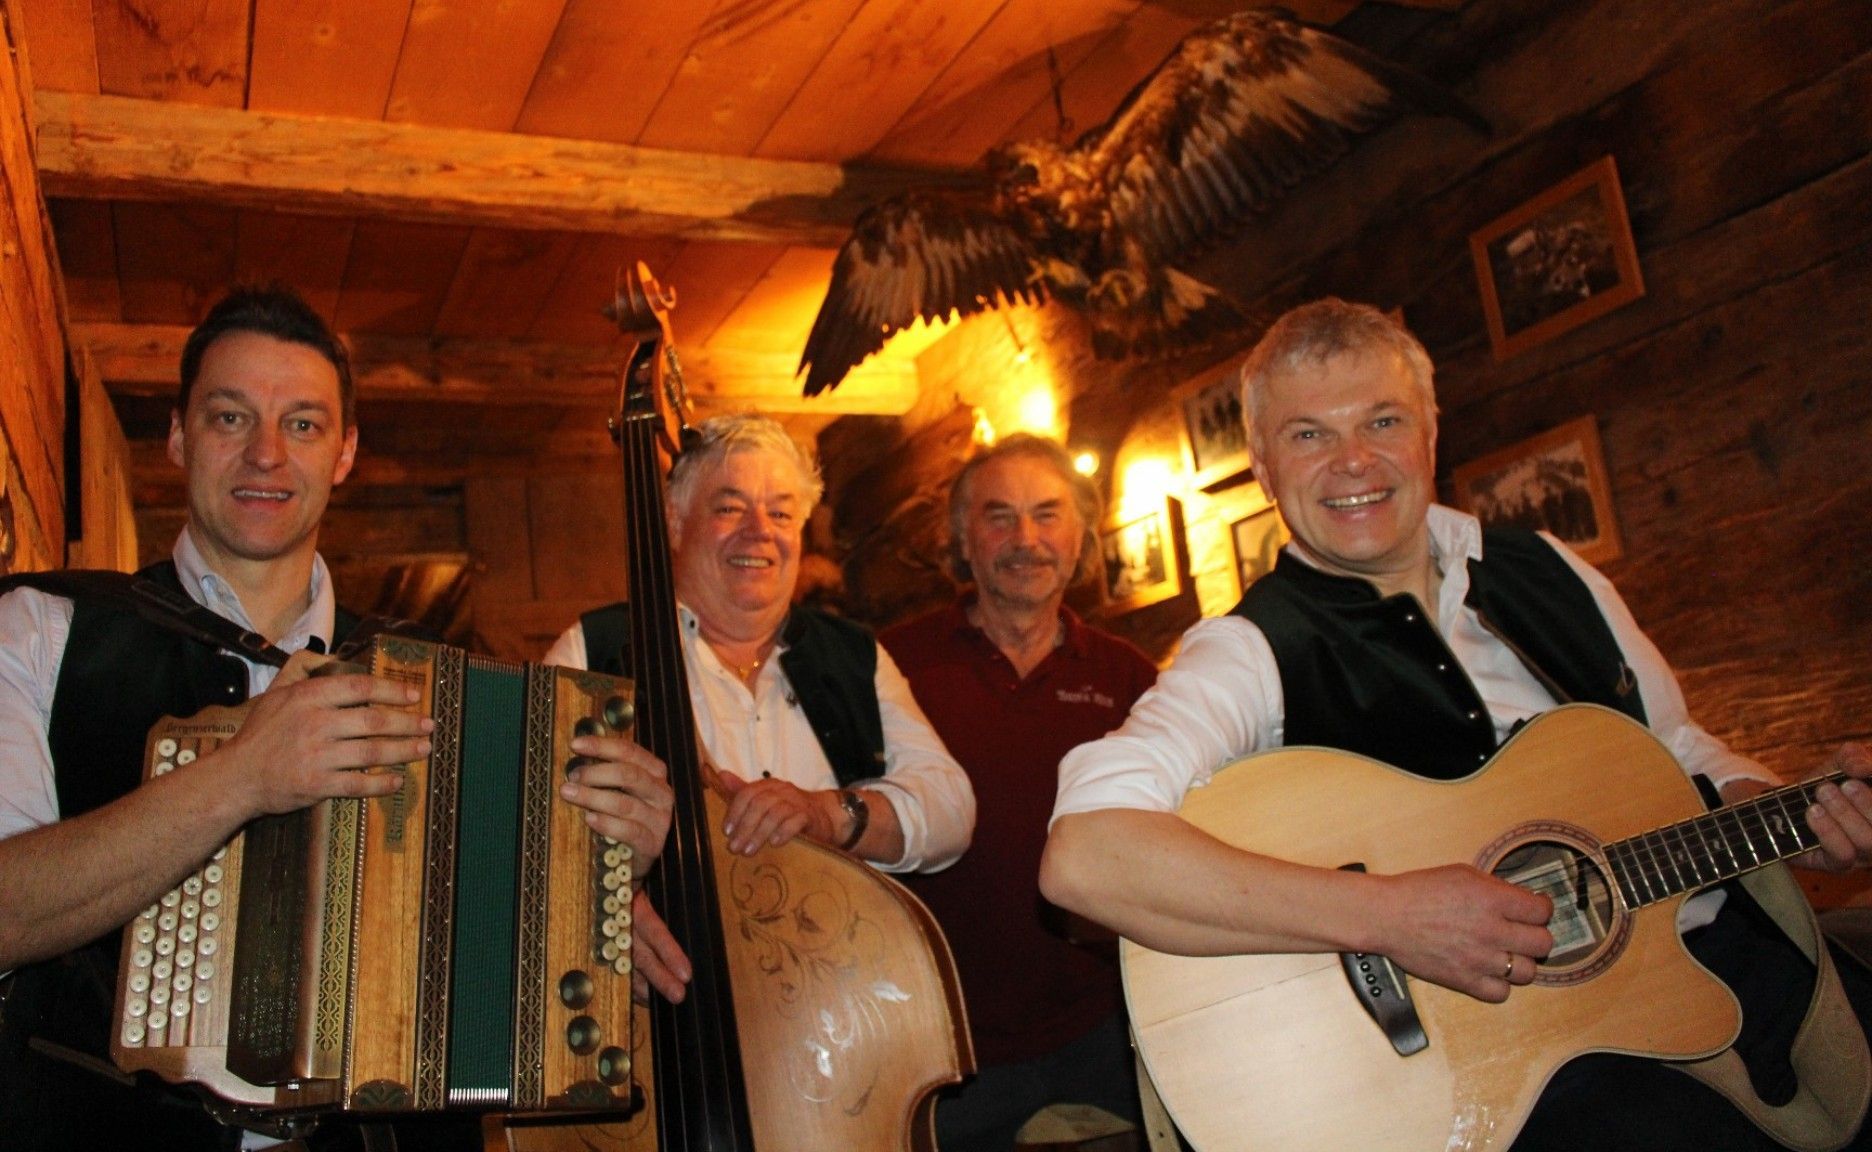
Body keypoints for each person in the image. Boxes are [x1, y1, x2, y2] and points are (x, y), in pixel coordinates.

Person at [1039, 297, 1872, 1150]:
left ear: (1433, 434)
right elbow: (1086, 857)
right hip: (1526, 1065)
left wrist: (1782, 812)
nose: (1352, 461)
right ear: (1261, 463)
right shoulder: (1250, 649)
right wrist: (1388, 916)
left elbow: (1678, 747)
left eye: (1383, 420)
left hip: (1712, 967)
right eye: (1309, 435)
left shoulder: (1551, 570)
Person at [0, 286, 675, 1152]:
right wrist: (243, 777)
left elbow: (500, 969)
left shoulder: (448, 681)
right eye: (230, 417)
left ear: (347, 451)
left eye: (305, 425)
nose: (267, 456)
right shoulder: (40, 630)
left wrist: (609, 873)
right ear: (177, 436)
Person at [544, 412, 975, 999]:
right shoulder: (591, 648)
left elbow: (950, 808)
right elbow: (534, 830)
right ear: (674, 522)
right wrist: (608, 900)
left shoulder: (854, 654)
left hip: (842, 1008)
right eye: (729, 508)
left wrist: (831, 815)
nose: (759, 532)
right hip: (667, 1012)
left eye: (780, 512)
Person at [881, 434, 1157, 1152]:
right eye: (999, 517)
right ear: (961, 540)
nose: (1025, 539)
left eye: (1047, 515)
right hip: (942, 1039)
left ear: (1080, 538)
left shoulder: (1130, 678)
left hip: (1105, 1025)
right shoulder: (892, 665)